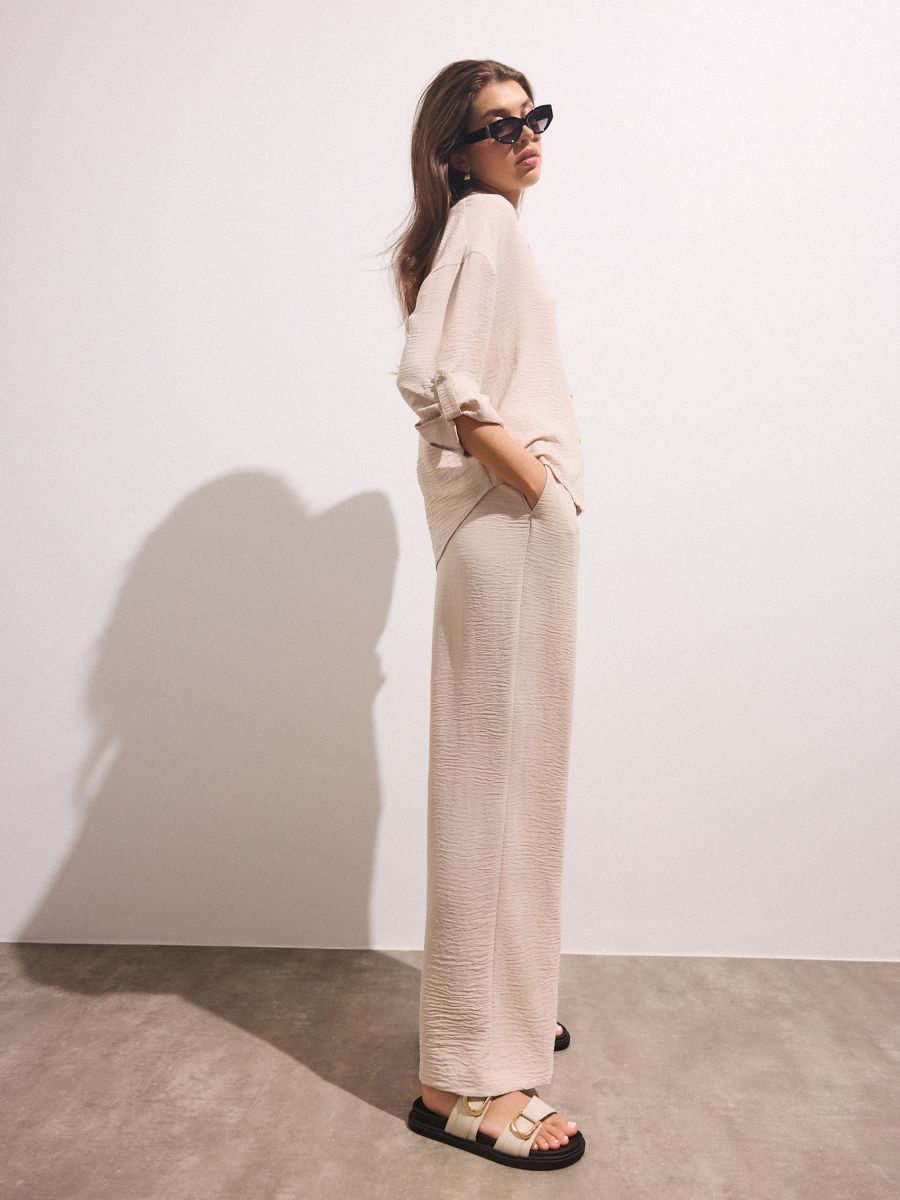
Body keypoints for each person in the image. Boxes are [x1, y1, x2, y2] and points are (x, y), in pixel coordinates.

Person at [389, 59, 587, 1170]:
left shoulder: (485, 228)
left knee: (517, 786)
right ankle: (460, 1076)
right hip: (506, 530)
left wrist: (539, 492)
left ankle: (504, 1011)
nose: (525, 136)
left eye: (533, 116)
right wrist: (529, 476)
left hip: (517, 531)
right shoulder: (484, 222)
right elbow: (433, 374)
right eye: (500, 125)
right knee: (492, 797)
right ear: (454, 154)